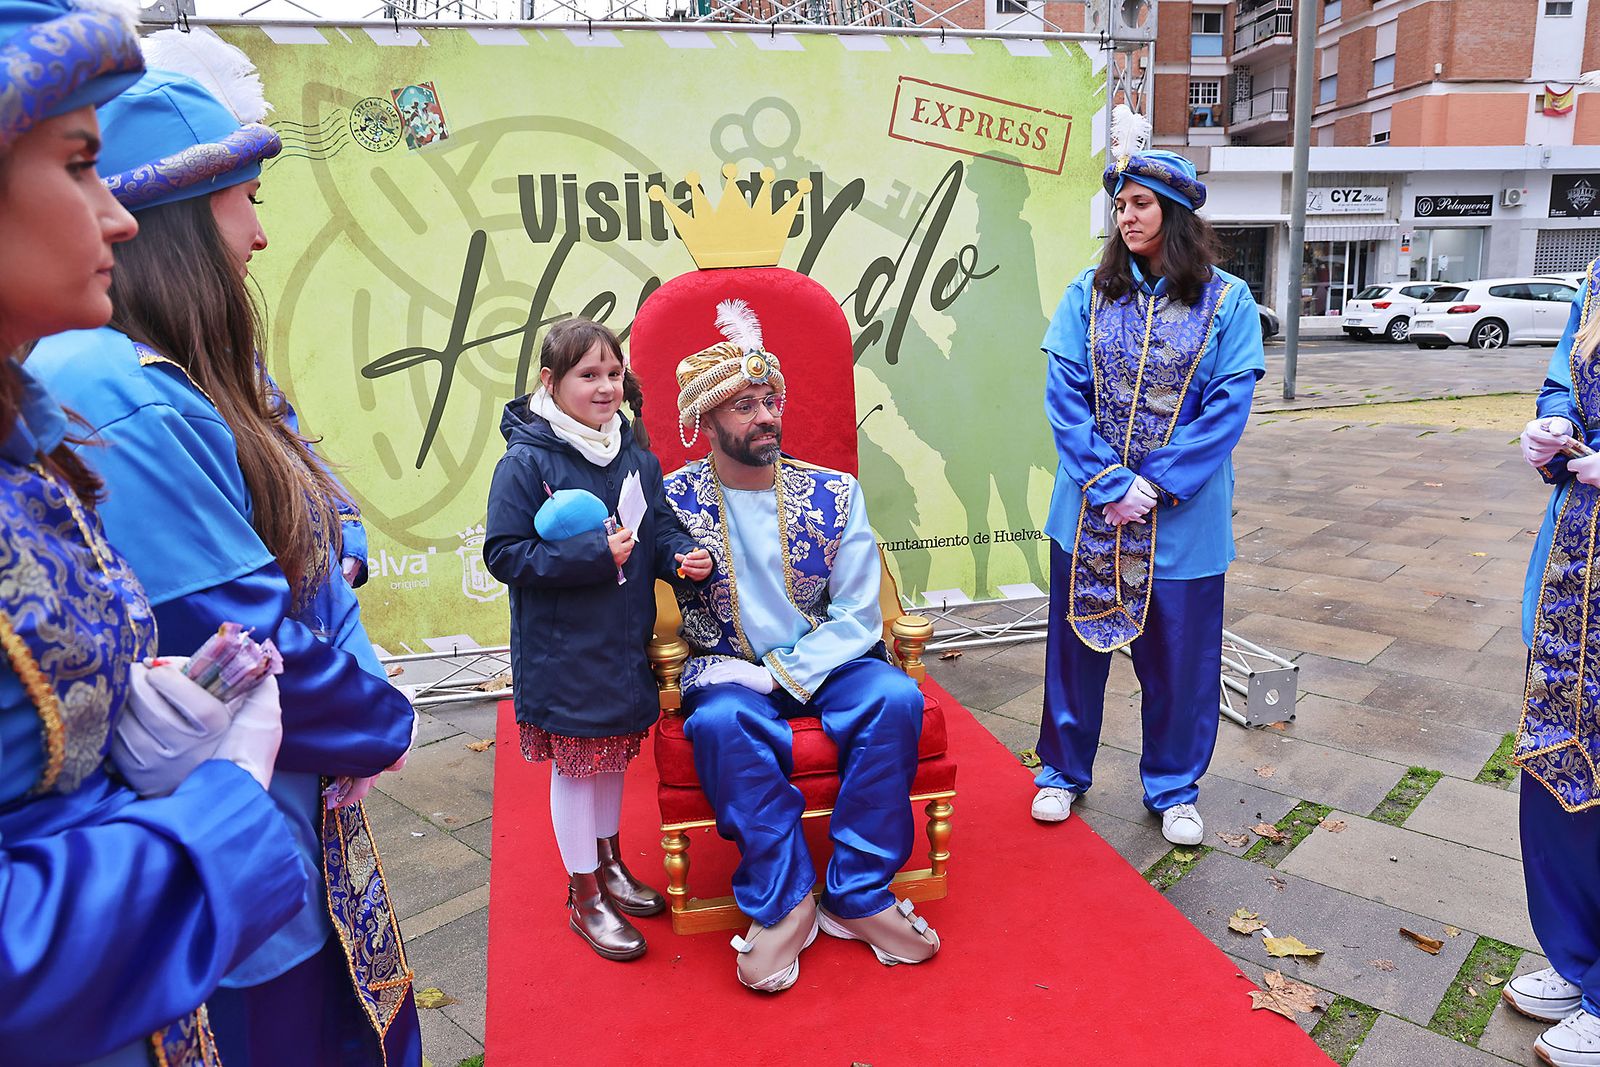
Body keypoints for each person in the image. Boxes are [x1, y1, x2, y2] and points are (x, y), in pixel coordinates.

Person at [27, 30, 420, 1067]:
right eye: (243, 197)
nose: (258, 234)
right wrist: (382, 716)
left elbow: (316, 533)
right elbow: (243, 629)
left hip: (213, 854)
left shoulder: (170, 366)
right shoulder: (116, 384)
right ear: (178, 218)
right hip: (202, 880)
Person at [0, 2, 309, 1063]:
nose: (118, 214)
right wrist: (221, 804)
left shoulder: (30, 436)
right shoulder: (113, 387)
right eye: (81, 165)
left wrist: (144, 727)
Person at [663, 298, 939, 994]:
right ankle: (786, 900)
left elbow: (857, 613)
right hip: (724, 668)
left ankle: (858, 890)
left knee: (897, 697)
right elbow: (636, 594)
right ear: (704, 421)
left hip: (830, 661)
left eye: (768, 400)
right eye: (742, 406)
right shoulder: (671, 503)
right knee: (723, 723)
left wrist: (785, 670)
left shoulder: (834, 494)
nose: (764, 416)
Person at [1030, 113, 1264, 848]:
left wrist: (1154, 485)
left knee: (1181, 663)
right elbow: (1063, 391)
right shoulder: (1087, 293)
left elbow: (1228, 407)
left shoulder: (1229, 302)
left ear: (1177, 215)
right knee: (1075, 652)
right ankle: (1061, 773)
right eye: (1121, 205)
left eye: (1140, 204)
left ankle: (1174, 786)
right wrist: (1107, 482)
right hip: (1090, 512)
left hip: (1183, 521)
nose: (1126, 217)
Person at [483, 318, 712, 960]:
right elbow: (504, 554)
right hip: (562, 650)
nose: (606, 387)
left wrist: (683, 556)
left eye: (613, 374)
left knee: (611, 759)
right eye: (589, 375)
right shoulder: (526, 460)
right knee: (579, 768)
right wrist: (592, 554)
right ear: (551, 383)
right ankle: (583, 891)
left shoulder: (635, 453)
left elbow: (659, 526)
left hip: (621, 641)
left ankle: (609, 864)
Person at [1508, 257, 1600, 1067]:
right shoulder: (1599, 275)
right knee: (1561, 759)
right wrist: (1553, 429)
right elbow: (1562, 374)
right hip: (1577, 554)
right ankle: (1579, 958)